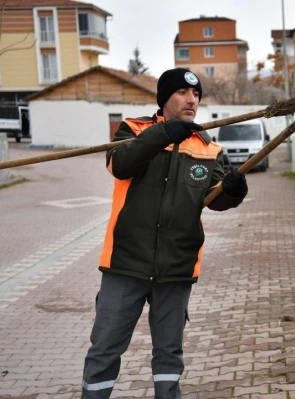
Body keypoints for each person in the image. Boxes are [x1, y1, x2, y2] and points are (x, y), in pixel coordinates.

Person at [82, 68, 248, 398]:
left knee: (169, 354)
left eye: (196, 95)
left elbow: (214, 199)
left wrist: (233, 191)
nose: (192, 100)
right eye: (183, 93)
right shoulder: (133, 129)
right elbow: (120, 165)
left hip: (177, 266)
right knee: (105, 349)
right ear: (164, 98)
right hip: (125, 264)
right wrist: (163, 135)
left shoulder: (207, 147)